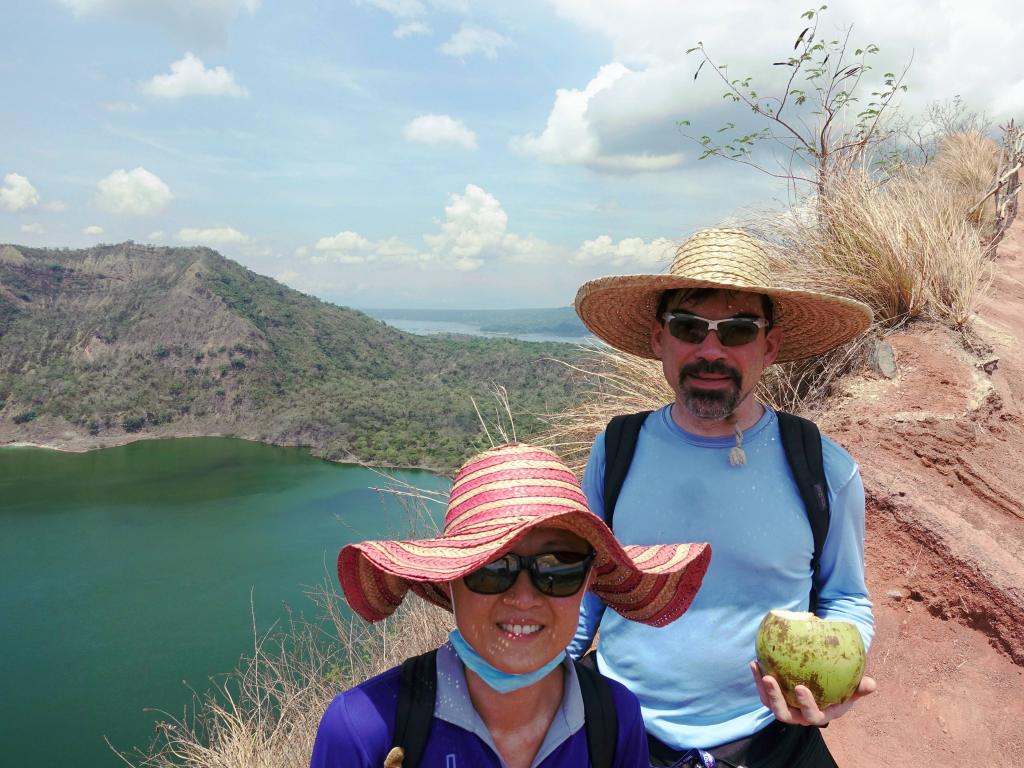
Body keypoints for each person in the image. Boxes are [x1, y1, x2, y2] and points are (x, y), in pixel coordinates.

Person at [568, 228, 878, 767]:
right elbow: (587, 586)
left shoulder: (823, 467)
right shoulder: (616, 449)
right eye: (689, 327)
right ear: (658, 340)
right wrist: (542, 684)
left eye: (737, 330)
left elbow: (846, 597)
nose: (711, 350)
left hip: (772, 741)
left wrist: (832, 684)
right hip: (619, 734)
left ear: (769, 346)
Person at [311, 443, 712, 768]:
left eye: (558, 568)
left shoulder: (614, 718)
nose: (523, 597)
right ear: (450, 581)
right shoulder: (365, 729)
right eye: (492, 568)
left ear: (588, 581)